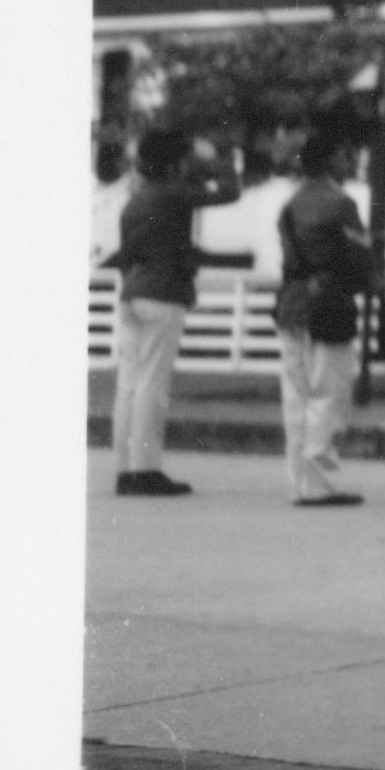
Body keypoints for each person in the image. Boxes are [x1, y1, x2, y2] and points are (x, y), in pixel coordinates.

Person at [101, 125, 243, 496]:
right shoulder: (172, 196)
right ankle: (146, 468)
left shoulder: (136, 200)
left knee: (129, 385)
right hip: (163, 294)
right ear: (175, 164)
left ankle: (125, 469)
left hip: (134, 290)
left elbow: (125, 255)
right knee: (152, 385)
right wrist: (211, 159)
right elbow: (230, 191)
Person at [274, 115, 381, 508]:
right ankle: (317, 486)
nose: (347, 162)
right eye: (343, 157)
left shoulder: (289, 205)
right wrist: (373, 276)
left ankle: (298, 482)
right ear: (332, 160)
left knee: (296, 396)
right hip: (328, 304)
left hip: (291, 304)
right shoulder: (341, 203)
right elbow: (359, 256)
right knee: (326, 394)